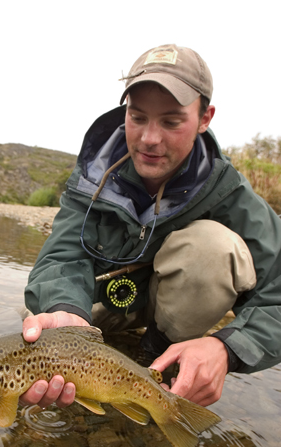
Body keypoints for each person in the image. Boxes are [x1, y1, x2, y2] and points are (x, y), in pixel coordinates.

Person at [20, 43, 281, 411]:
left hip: (169, 316)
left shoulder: (231, 195)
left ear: (205, 118)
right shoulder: (93, 174)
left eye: (172, 122)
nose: (149, 139)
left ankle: (154, 363)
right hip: (97, 312)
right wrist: (65, 310)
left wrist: (227, 348)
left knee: (213, 247)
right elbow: (63, 255)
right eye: (138, 117)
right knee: (32, 328)